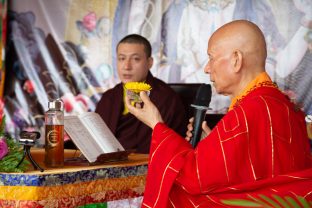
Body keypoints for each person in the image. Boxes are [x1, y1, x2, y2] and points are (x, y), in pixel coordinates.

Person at [125, 20, 312, 207]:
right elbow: (256, 175)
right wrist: (215, 145)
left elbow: (193, 178)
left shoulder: (251, 109)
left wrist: (156, 124)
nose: (206, 68)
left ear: (236, 60)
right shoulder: (280, 103)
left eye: (211, 57)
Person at [95, 34, 187, 154]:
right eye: (122, 59)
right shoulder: (109, 98)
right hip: (108, 164)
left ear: (150, 62)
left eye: (136, 59)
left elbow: (170, 144)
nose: (127, 66)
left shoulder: (166, 98)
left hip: (146, 166)